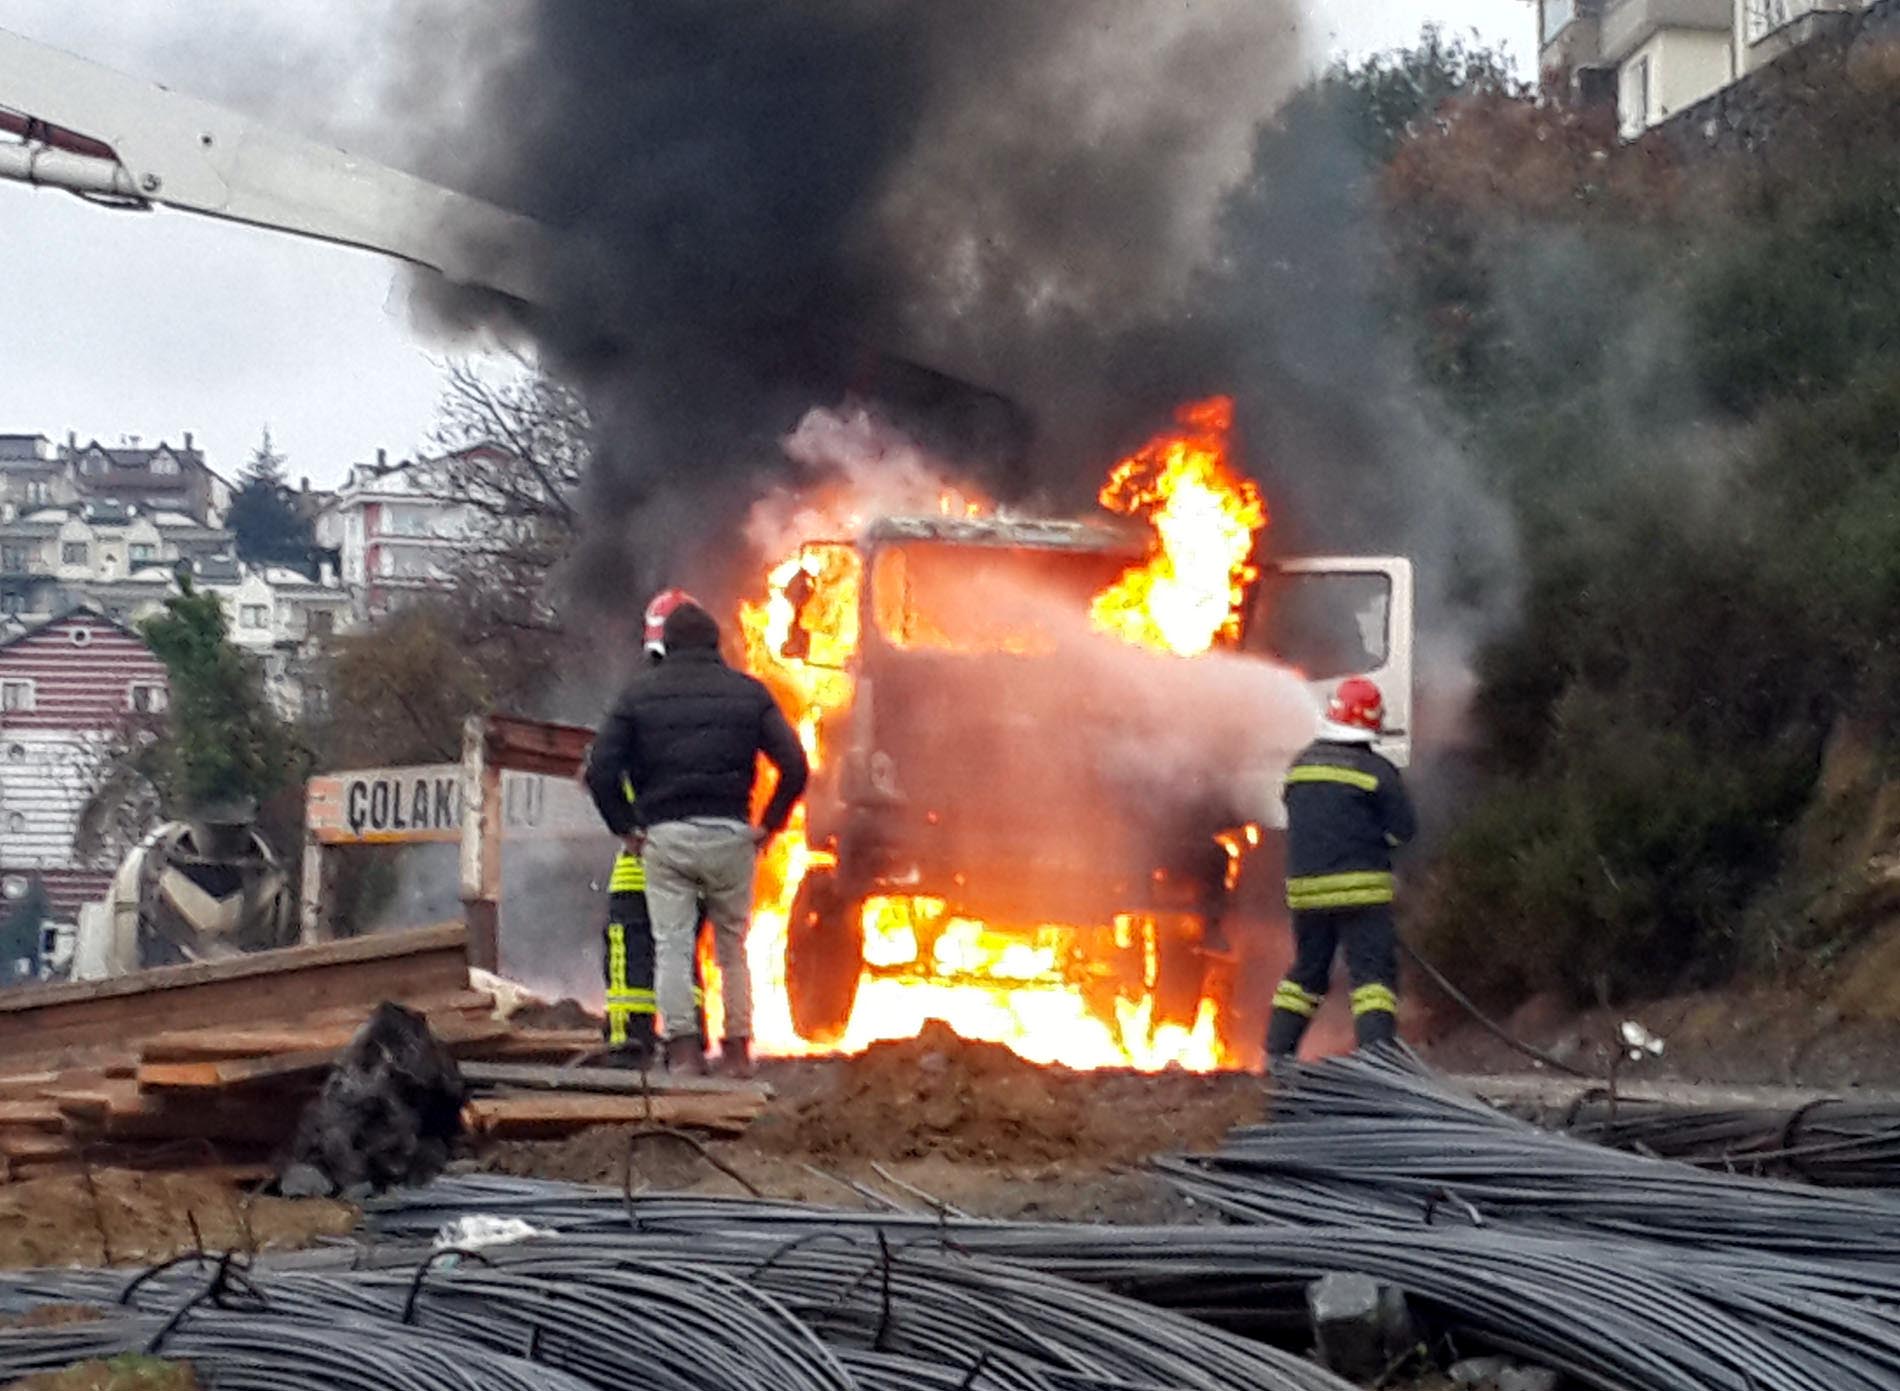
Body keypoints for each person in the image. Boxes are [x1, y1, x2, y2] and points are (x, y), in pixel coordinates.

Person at [585, 599, 809, 1078]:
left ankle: (684, 1052)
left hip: (666, 840)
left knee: (671, 944)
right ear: (716, 643)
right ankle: (737, 1051)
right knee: (733, 949)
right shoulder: (749, 693)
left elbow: (601, 770)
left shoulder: (637, 697)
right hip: (731, 835)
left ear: (664, 644)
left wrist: (627, 828)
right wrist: (769, 826)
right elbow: (794, 766)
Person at [1265, 676, 1416, 1060]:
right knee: (1372, 982)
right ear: (1370, 721)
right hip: (1362, 894)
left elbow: (1301, 816)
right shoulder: (1377, 772)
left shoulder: (1300, 766)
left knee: (1306, 976)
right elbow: (1404, 832)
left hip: (1305, 892)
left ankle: (1277, 1057)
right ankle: (1378, 1063)